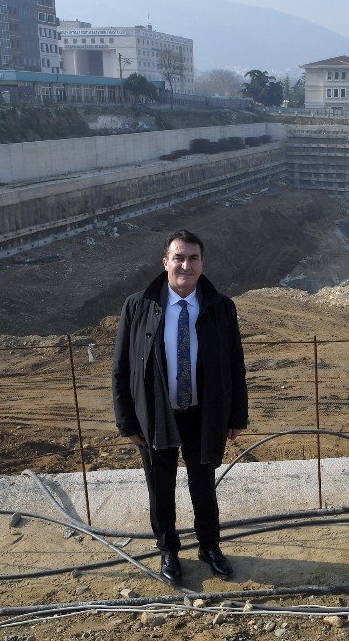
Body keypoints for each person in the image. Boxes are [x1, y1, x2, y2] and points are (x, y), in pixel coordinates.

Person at [113, 229, 248, 585]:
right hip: (157, 414)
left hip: (204, 414)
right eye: (179, 258)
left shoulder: (221, 307)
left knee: (203, 484)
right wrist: (127, 421)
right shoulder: (139, 306)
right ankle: (168, 550)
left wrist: (237, 416)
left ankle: (209, 546)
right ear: (166, 262)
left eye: (193, 258)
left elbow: (235, 364)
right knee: (161, 486)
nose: (185, 265)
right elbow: (121, 368)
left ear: (202, 264)